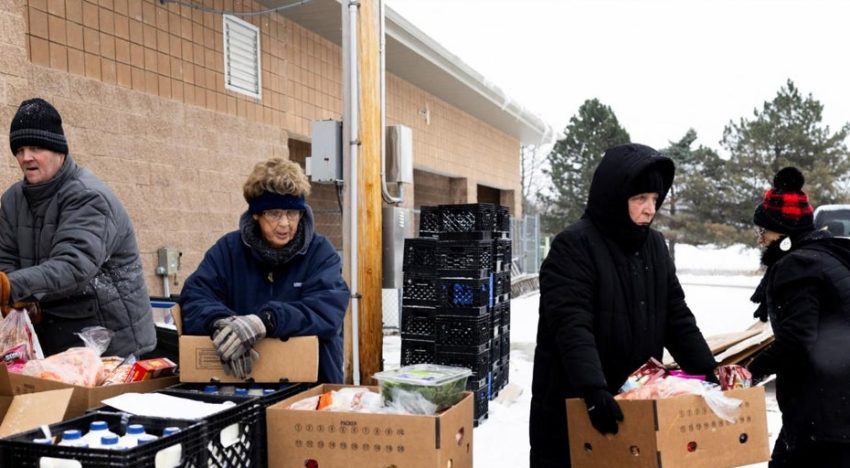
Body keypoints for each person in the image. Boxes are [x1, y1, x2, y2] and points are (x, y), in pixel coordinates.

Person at [529, 143, 718, 468]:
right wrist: (593, 391)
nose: (649, 209)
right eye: (640, 199)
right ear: (615, 198)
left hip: (636, 402)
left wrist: (707, 371)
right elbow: (572, 325)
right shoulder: (574, 246)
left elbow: (677, 318)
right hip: (576, 405)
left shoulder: (655, 247)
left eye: (655, 200)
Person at [0, 97, 154, 357]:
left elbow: (74, 265)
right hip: (52, 343)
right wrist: (15, 295)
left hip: (109, 345)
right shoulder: (12, 200)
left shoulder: (89, 196)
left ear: (59, 149)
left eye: (36, 147)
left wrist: (11, 286)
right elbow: (5, 257)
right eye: (19, 149)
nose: (26, 157)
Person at [180, 158, 349, 382]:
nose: (284, 224)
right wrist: (221, 323)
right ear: (256, 214)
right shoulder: (229, 251)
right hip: (243, 385)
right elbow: (194, 297)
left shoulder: (320, 253)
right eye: (274, 213)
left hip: (312, 384)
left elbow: (327, 310)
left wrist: (266, 320)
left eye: (292, 213)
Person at [747, 167, 850, 467]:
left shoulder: (797, 265)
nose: (760, 240)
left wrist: (752, 371)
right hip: (835, 409)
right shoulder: (826, 255)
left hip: (824, 415)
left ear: (784, 234)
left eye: (764, 232)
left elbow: (798, 338)